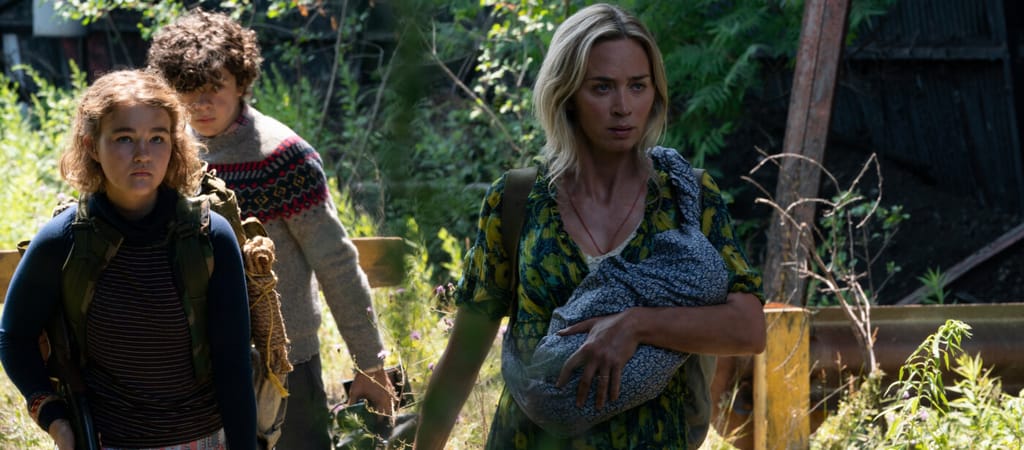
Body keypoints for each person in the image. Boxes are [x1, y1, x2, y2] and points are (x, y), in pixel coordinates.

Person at [414, 3, 766, 449]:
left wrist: (636, 325)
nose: (623, 107)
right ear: (566, 94)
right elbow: (464, 355)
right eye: (602, 87)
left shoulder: (687, 197)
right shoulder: (519, 201)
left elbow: (748, 328)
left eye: (637, 86)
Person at [146, 9, 396, 449]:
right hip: (188, 369)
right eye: (187, 89)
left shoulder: (282, 158)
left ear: (241, 83)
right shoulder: (158, 155)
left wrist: (370, 364)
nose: (200, 103)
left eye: (213, 88)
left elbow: (335, 262)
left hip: (284, 364)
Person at [0, 69, 257, 449]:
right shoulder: (63, 241)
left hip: (205, 439)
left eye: (157, 138)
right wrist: (55, 418)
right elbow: (14, 337)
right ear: (91, 145)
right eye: (124, 138)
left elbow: (234, 364)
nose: (142, 154)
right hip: (107, 440)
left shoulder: (209, 237)